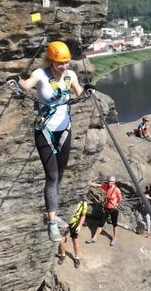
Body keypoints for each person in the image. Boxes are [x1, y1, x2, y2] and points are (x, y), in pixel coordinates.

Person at [6, 40, 92, 242]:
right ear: (51, 61)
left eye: (66, 62)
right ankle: (52, 223)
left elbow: (79, 94)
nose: (64, 66)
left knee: (60, 174)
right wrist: (16, 80)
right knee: (52, 176)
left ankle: (52, 212)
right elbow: (25, 86)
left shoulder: (70, 75)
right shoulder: (40, 74)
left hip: (65, 130)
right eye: (60, 63)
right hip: (44, 130)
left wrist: (88, 91)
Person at [87, 175, 122, 246]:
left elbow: (119, 198)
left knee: (114, 224)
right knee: (101, 223)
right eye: (108, 181)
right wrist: (89, 183)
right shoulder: (106, 186)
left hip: (113, 209)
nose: (109, 183)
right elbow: (98, 185)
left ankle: (114, 237)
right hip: (106, 208)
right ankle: (94, 238)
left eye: (111, 182)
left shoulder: (117, 190)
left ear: (114, 182)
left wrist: (117, 203)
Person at [57, 199, 88, 268]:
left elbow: (83, 215)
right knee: (62, 240)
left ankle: (77, 257)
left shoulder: (83, 203)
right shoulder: (69, 198)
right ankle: (63, 254)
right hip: (65, 222)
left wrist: (79, 225)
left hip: (74, 223)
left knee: (75, 240)